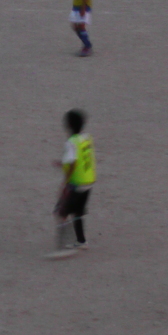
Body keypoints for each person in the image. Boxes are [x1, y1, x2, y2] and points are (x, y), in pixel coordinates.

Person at [49, 108, 96, 257]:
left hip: (76, 182)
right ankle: (81, 241)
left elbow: (73, 163)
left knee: (61, 211)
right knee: (78, 212)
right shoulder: (87, 137)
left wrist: (66, 183)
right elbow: (80, 157)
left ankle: (62, 247)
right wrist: (61, 163)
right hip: (89, 181)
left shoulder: (71, 142)